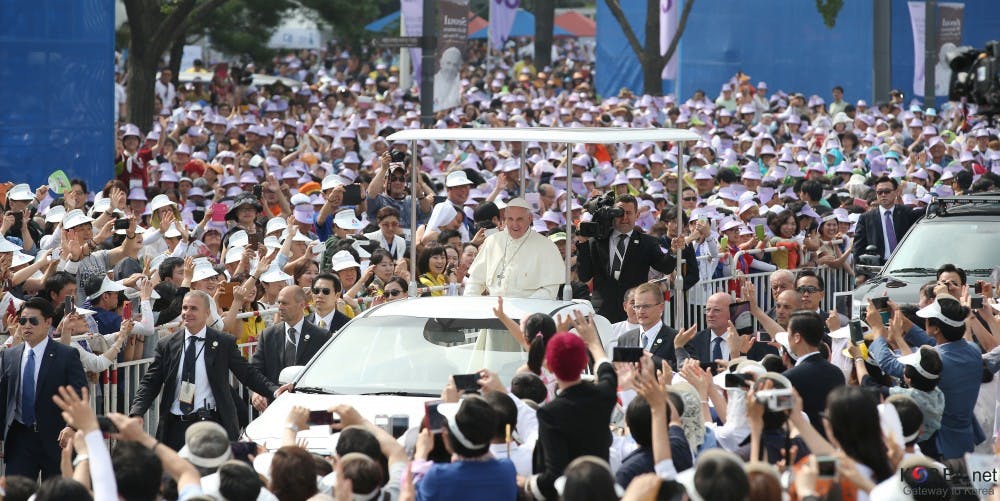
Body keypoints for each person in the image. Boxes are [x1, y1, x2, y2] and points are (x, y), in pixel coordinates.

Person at [129, 290, 286, 450]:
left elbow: (247, 374)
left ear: (207, 313)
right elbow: (150, 382)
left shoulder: (223, 343)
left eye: (193, 309)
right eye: (184, 308)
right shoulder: (167, 345)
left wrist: (275, 391)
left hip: (211, 425)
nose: (187, 313)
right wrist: (137, 412)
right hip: (175, 427)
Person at [525, 312, 617, 500]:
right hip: (603, 490)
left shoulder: (549, 413)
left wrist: (526, 483)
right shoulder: (603, 394)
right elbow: (606, 370)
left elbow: (553, 474)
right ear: (584, 362)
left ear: (550, 366)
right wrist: (593, 342)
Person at [0, 297, 87, 479]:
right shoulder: (10, 355)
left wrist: (72, 425)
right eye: (23, 321)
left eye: (33, 321)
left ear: (48, 322)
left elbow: (79, 394)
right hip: (20, 438)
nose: (27, 326)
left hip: (56, 439)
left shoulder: (66, 355)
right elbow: (3, 397)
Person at [576, 194, 693, 322]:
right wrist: (582, 244)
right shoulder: (596, 241)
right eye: (620, 213)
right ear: (612, 214)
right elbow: (584, 276)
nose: (624, 217)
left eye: (628, 213)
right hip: (602, 312)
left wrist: (673, 252)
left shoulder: (647, 242)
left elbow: (665, 266)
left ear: (637, 215)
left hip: (635, 311)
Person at [414, 395, 517, 501]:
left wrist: (420, 455)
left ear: (445, 437)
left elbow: (412, 493)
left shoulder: (438, 477)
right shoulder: (507, 470)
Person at [464, 197, 565, 299]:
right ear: (505, 219)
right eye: (510, 219)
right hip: (494, 309)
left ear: (530, 218)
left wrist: (525, 309)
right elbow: (475, 281)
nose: (514, 224)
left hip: (529, 310)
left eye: (519, 219)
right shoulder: (492, 241)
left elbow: (549, 290)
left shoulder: (546, 247)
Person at [250, 285, 330, 409]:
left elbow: (325, 373)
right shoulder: (268, 335)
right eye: (279, 302)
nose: (280, 307)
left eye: (285, 303)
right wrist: (256, 392)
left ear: (301, 305)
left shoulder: (321, 336)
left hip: (308, 407)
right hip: (275, 406)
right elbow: (256, 370)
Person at [778, 310, 845, 435]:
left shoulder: (789, 378)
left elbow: (781, 417)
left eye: (789, 333)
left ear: (797, 337)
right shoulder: (836, 373)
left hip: (802, 447)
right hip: (833, 443)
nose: (788, 338)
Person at [851, 176, 923, 262]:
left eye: (887, 191)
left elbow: (926, 211)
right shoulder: (866, 218)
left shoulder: (906, 212)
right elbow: (858, 247)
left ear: (896, 192)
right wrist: (860, 273)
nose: (883, 195)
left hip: (903, 264)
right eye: (879, 192)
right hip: (877, 266)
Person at [614, 282, 681, 369]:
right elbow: (618, 371)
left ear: (661, 307)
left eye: (646, 306)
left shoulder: (677, 339)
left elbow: (682, 371)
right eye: (637, 306)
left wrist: (648, 356)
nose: (641, 311)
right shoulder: (624, 339)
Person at [433, 46, 462, 111]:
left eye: (455, 65)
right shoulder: (430, 83)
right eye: (448, 63)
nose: (451, 68)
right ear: (441, 63)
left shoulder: (461, 85)